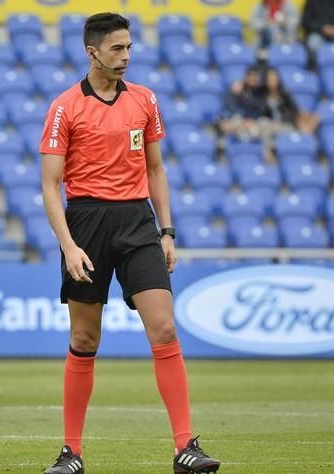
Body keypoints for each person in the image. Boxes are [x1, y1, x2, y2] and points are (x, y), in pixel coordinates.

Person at [39, 12, 220, 474]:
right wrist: (68, 246)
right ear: (92, 51)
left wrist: (166, 231)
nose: (126, 57)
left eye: (129, 48)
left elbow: (156, 170)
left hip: (138, 220)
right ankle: (71, 453)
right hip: (86, 222)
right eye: (117, 48)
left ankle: (186, 447)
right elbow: (50, 186)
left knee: (164, 329)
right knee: (84, 337)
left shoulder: (145, 100)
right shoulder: (64, 107)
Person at [260, 67, 319, 136]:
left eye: (274, 77)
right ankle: (269, 146)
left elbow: (294, 111)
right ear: (266, 80)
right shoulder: (261, 95)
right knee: (263, 123)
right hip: (269, 125)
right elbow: (261, 113)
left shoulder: (285, 94)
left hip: (285, 125)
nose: (273, 80)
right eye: (270, 78)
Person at [218, 65, 265, 142]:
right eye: (250, 76)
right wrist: (244, 119)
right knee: (230, 124)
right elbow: (231, 108)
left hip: (254, 122)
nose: (252, 79)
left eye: (255, 76)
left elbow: (260, 109)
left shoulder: (260, 92)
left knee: (261, 126)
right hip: (237, 120)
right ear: (245, 77)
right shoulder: (235, 89)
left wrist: (251, 120)